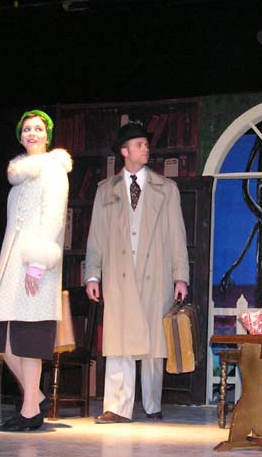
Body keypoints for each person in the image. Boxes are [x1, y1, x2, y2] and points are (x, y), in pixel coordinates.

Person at [85, 122, 189, 424]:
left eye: (146, 144)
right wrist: (92, 275)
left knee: (154, 341)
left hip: (155, 272)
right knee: (119, 340)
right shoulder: (105, 190)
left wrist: (180, 276)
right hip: (118, 275)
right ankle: (117, 407)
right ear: (124, 151)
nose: (146, 149)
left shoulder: (166, 189)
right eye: (139, 144)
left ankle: (152, 403)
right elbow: (96, 236)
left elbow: (177, 236)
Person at [0, 109, 72, 432]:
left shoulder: (53, 170)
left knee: (27, 335)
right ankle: (37, 397)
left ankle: (30, 409)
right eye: (26, 129)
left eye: (38, 129)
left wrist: (37, 263)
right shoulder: (19, 177)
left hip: (36, 263)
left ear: (47, 136)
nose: (32, 133)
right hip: (11, 264)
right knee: (1, 335)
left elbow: (54, 218)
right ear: (20, 137)